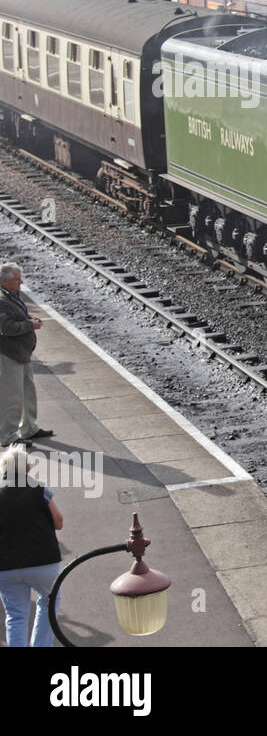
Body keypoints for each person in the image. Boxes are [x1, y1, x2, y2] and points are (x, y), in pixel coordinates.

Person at [0, 444, 64, 647]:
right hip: (43, 561)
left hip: (5, 566)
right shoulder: (40, 490)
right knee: (48, 602)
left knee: (16, 615)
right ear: (27, 468)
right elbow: (58, 521)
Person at [0, 263, 53, 446]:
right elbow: (6, 328)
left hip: (22, 353)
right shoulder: (1, 300)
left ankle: (28, 427)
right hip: (9, 354)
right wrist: (30, 325)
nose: (21, 282)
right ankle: (7, 435)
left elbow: (16, 319)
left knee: (28, 391)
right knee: (12, 396)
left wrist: (28, 320)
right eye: (17, 279)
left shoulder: (11, 295)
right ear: (5, 281)